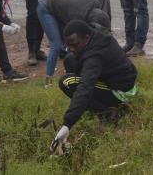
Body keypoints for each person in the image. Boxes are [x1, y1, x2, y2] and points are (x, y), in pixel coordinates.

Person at [50, 20, 138, 152]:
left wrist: (67, 124)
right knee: (70, 59)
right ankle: (91, 107)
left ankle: (108, 112)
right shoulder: (95, 33)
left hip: (122, 92)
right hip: (117, 80)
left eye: (74, 44)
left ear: (86, 38)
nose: (72, 48)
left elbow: (85, 88)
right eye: (69, 45)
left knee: (67, 82)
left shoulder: (95, 57)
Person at [37, 0, 111, 85]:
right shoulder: (77, 17)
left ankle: (71, 73)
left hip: (61, 5)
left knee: (73, 46)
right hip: (46, 6)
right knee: (56, 45)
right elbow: (76, 43)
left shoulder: (97, 6)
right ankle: (48, 81)